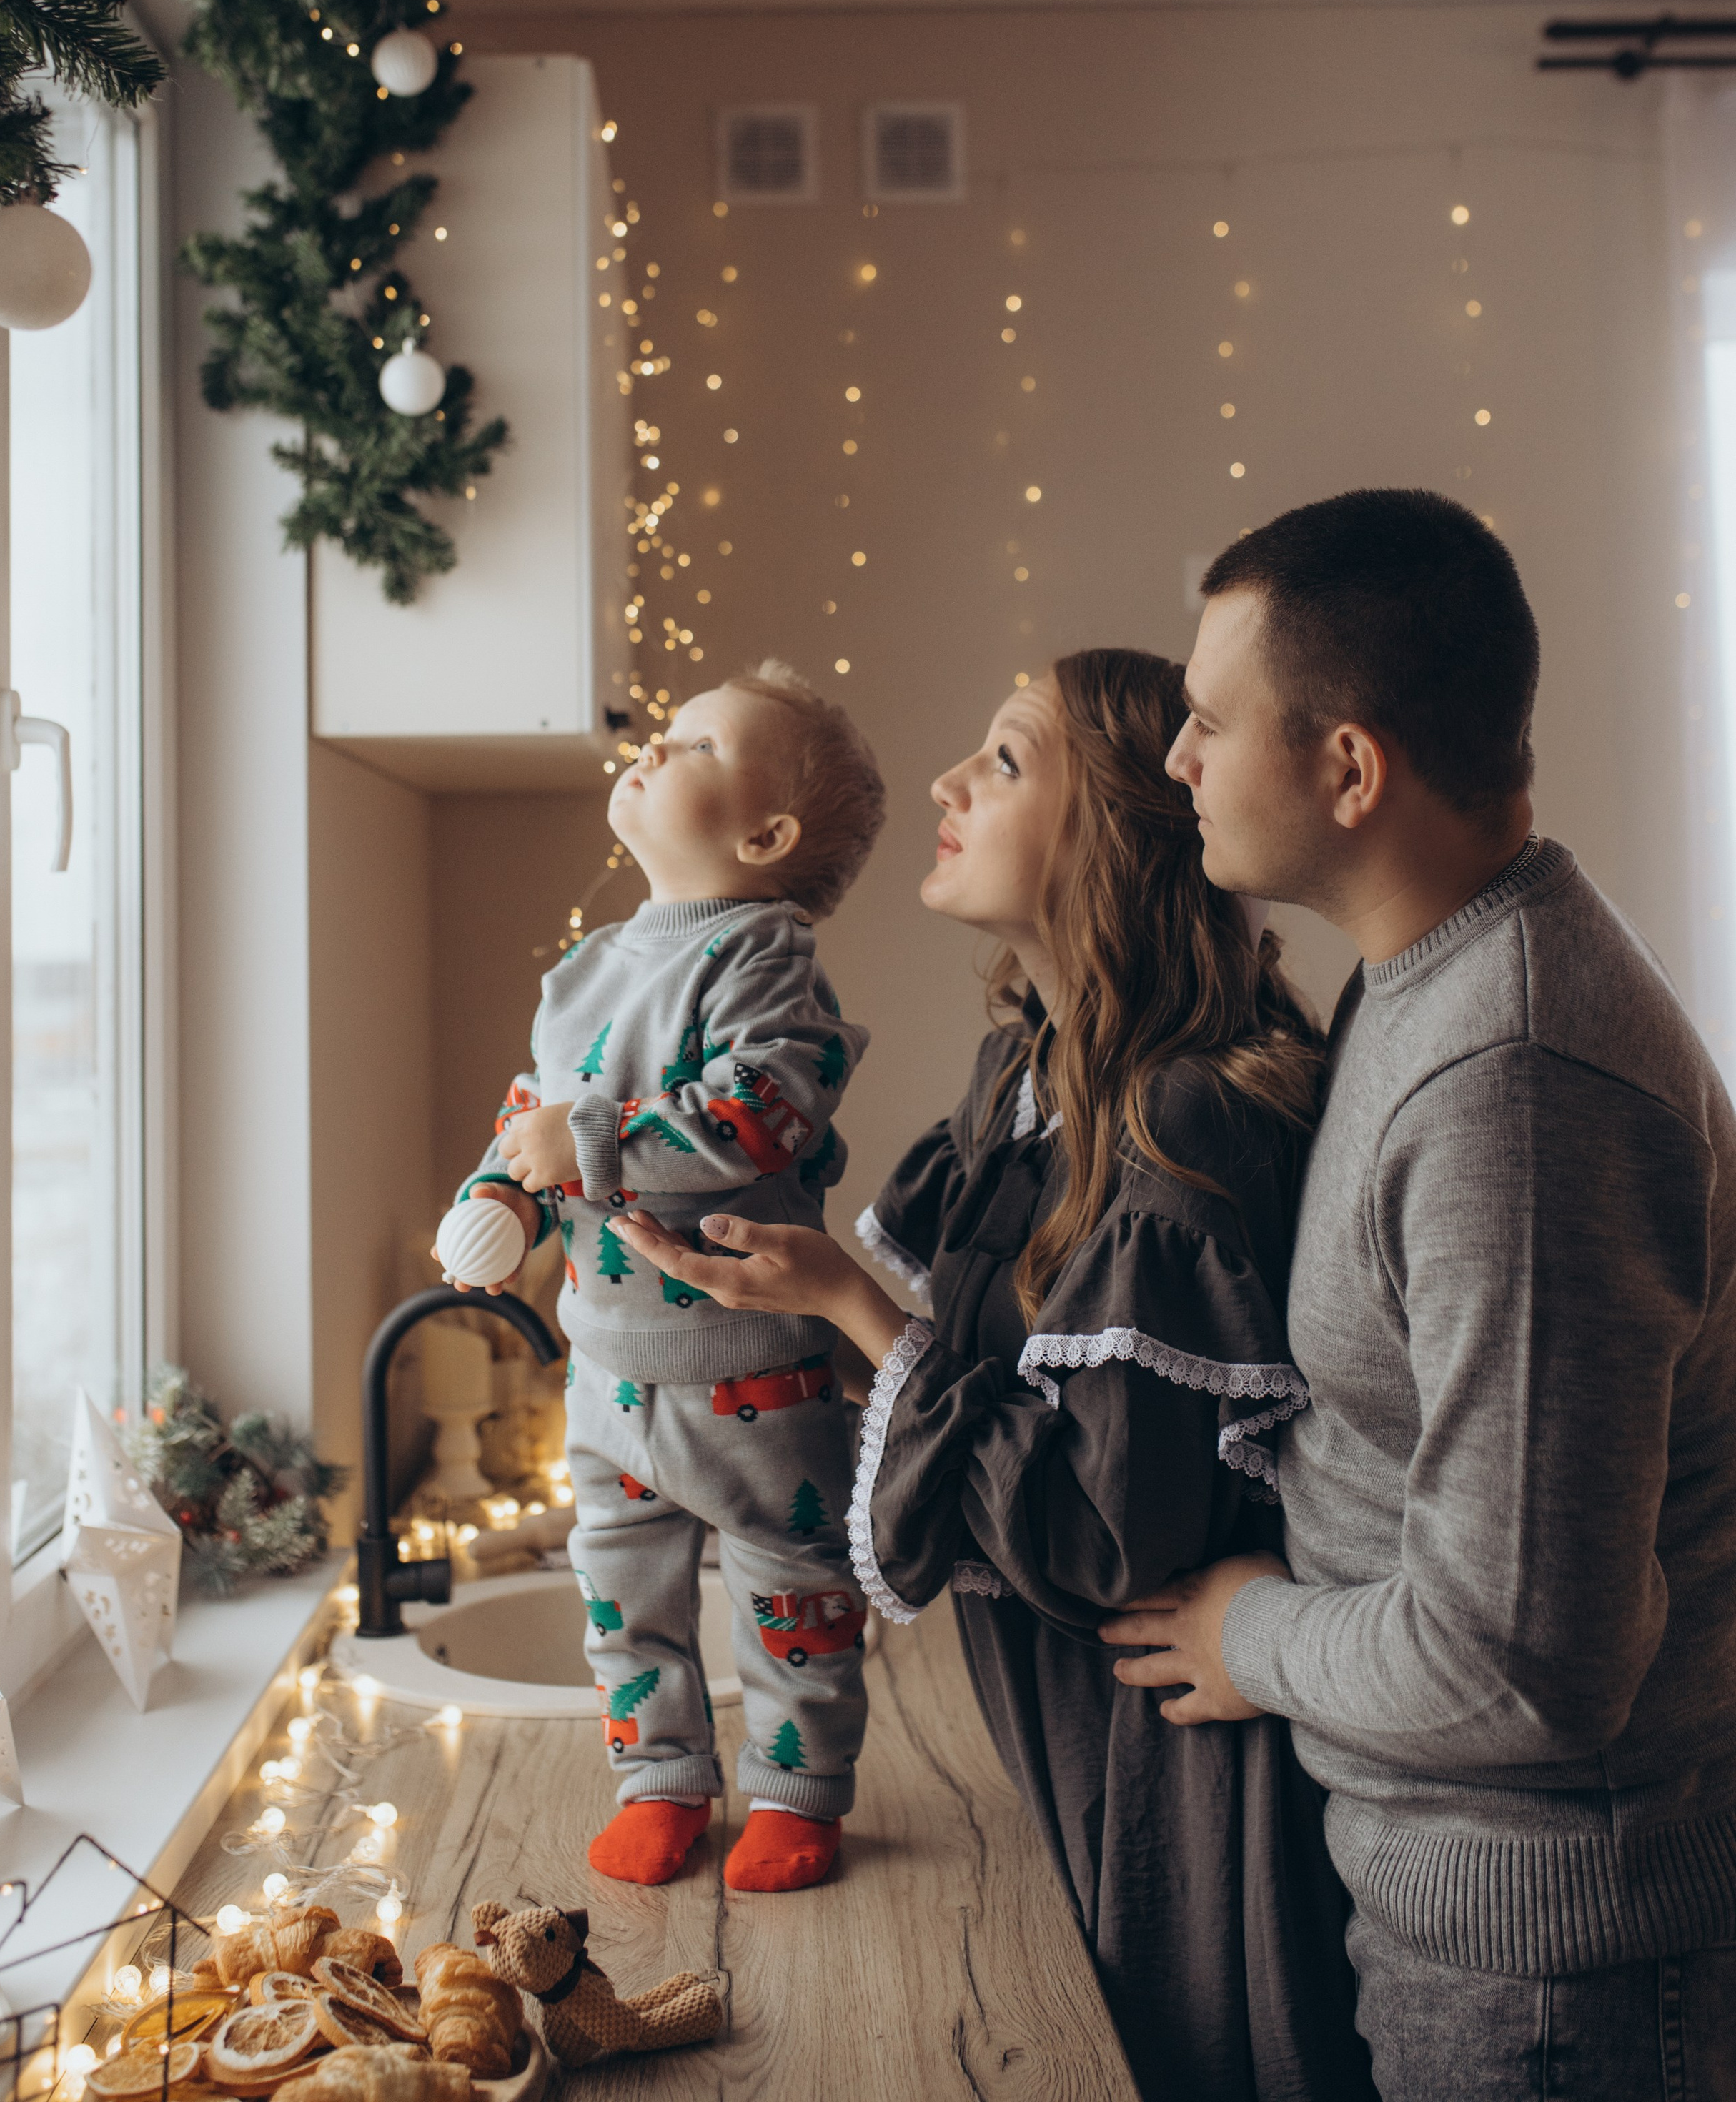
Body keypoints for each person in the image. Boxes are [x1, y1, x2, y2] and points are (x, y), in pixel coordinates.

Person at [617, 650, 1377, 2102]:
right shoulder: (1022, 1078)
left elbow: (1100, 1533)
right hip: (1060, 1718)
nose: (950, 787)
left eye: (1007, 763)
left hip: (1169, 1754)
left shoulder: (1177, 1119)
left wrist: (844, 1298)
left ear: (1119, 834)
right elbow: (971, 1388)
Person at [1108, 488, 1736, 2100]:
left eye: (1205, 719)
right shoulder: (1423, 976)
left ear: (1345, 767)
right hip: (1474, 1924)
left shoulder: (1513, 1087)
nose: (1174, 760)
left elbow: (1521, 1662)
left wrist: (1253, 1636)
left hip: (1555, 1981)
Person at [439, 660, 886, 1896]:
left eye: (694, 746)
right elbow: (531, 1111)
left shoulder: (764, 953)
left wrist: (575, 1144)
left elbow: (756, 1120)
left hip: (750, 1371)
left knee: (793, 1594)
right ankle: (664, 1783)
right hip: (607, 1375)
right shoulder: (584, 969)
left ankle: (799, 1794)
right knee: (622, 1601)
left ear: (766, 834)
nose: (652, 747)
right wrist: (499, 1194)